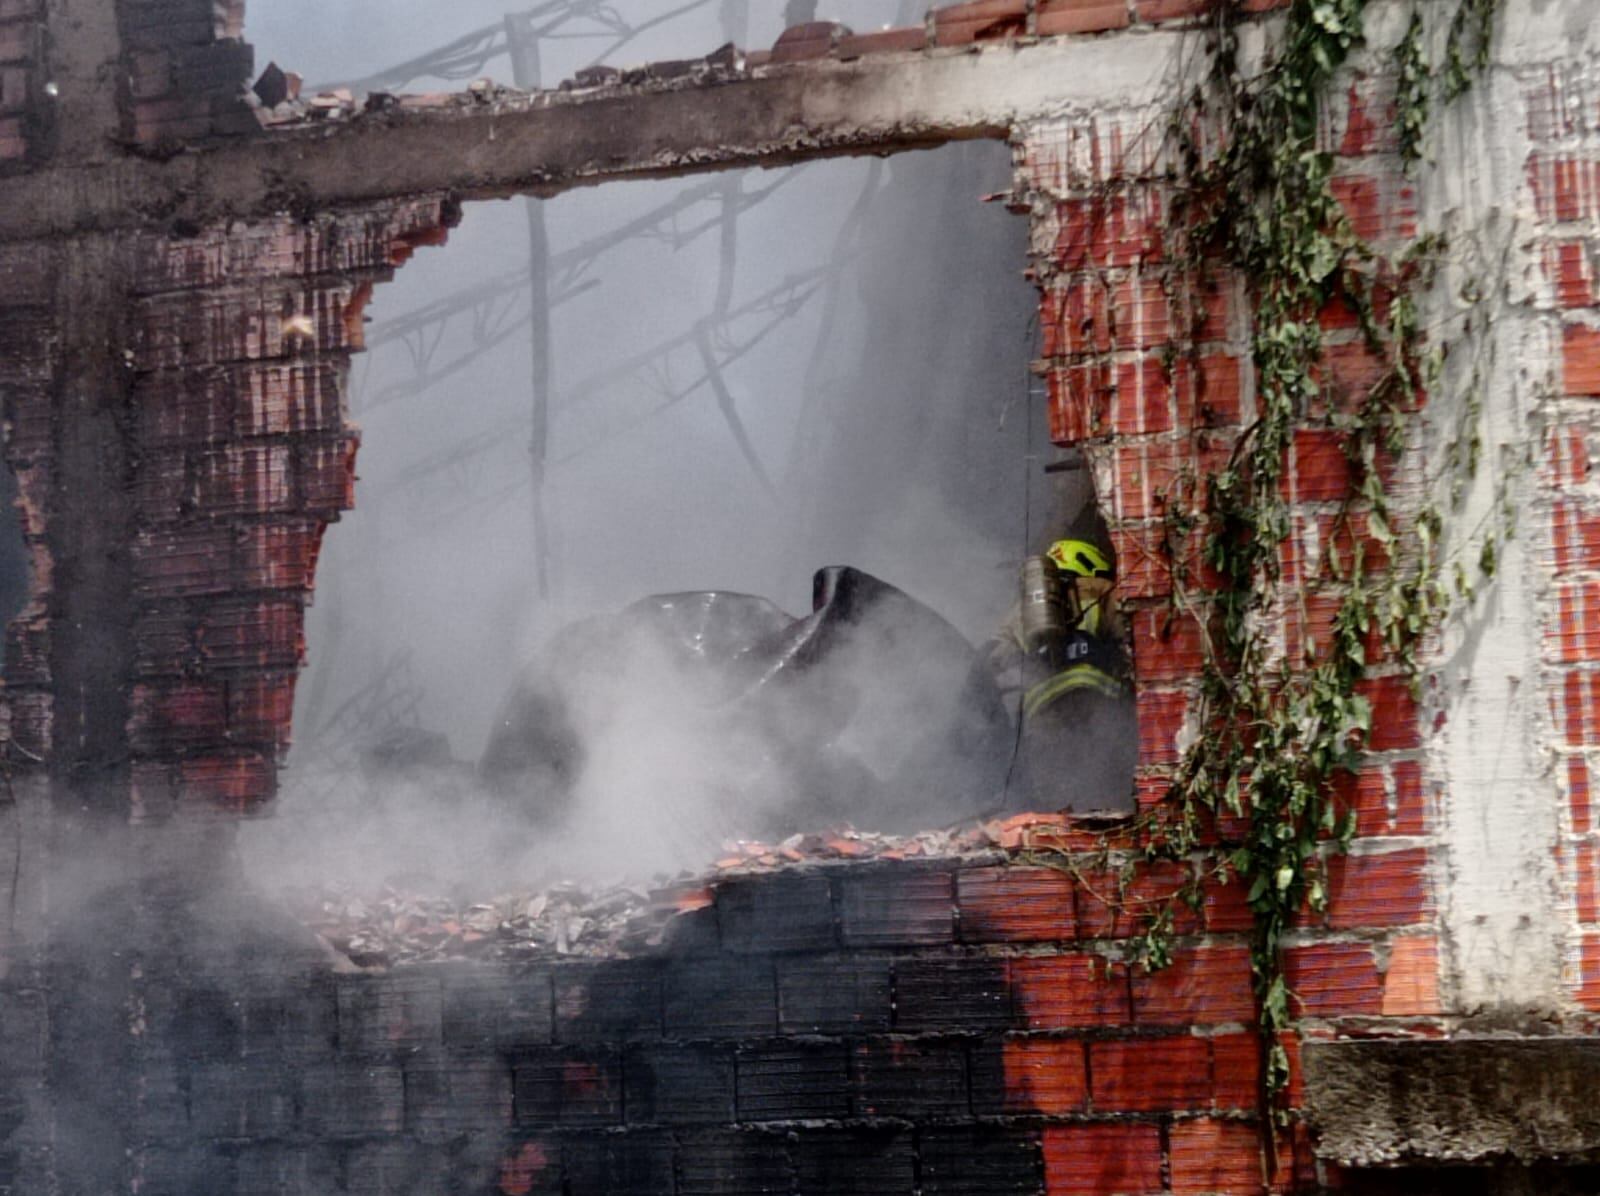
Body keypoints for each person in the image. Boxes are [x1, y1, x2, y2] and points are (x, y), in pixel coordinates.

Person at [987, 516, 1138, 814]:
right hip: (1096, 706)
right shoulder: (1103, 592)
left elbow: (994, 660)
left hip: (1043, 718)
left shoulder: (1022, 613)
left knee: (1057, 800)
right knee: (1108, 789)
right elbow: (1136, 639)